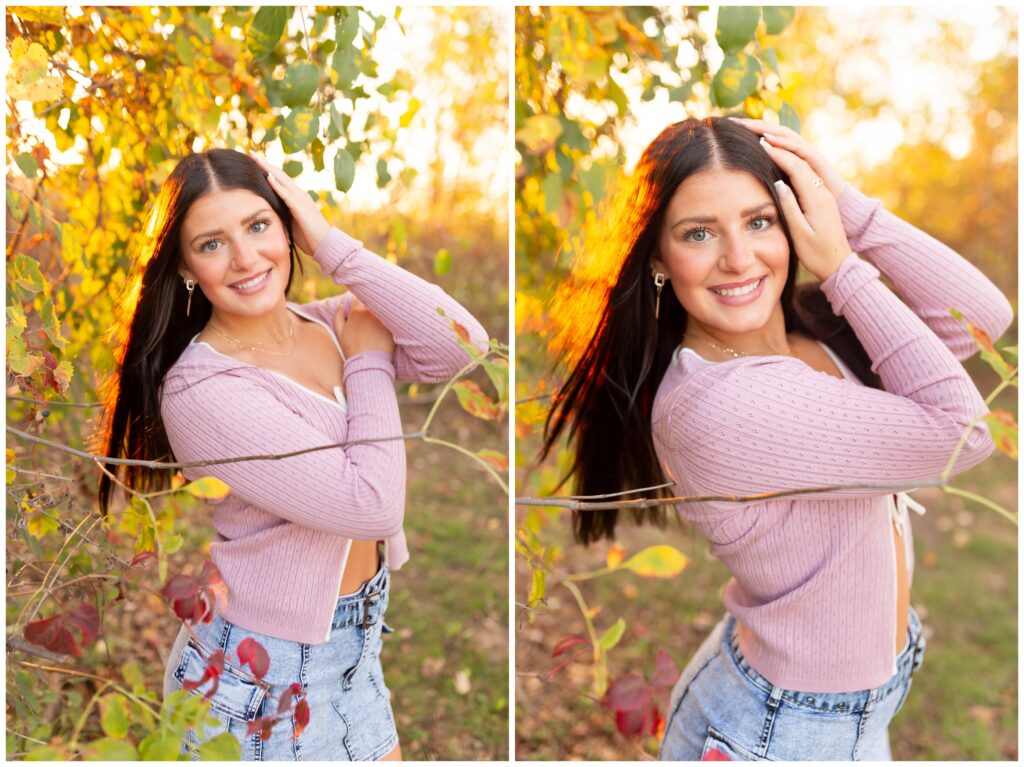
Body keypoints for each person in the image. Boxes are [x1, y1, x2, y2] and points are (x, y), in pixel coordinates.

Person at [542, 116, 1012, 760]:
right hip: (783, 729)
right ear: (657, 254)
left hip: (840, 704)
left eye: (760, 220)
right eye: (699, 233)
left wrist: (849, 210)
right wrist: (845, 269)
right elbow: (963, 433)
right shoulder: (726, 403)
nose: (739, 257)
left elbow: (982, 319)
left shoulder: (810, 333)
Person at [98, 148, 488, 760]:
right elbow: (374, 505)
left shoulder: (331, 322)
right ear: (183, 267)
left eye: (259, 225)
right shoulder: (202, 390)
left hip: (357, 646)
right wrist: (366, 361)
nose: (247, 259)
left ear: (288, 226)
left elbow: (464, 346)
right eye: (212, 243)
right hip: (257, 675)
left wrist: (335, 246)